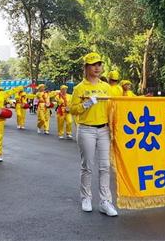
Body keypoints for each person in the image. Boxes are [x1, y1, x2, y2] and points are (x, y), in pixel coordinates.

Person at [70, 52, 118, 217]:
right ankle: (86, 198)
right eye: (93, 64)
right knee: (87, 166)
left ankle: (105, 201)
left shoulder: (106, 87)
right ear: (86, 67)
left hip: (104, 129)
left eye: (99, 64)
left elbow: (114, 107)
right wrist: (87, 103)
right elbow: (73, 109)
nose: (97, 67)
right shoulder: (79, 88)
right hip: (86, 129)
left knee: (105, 166)